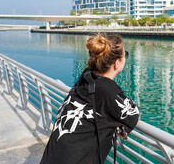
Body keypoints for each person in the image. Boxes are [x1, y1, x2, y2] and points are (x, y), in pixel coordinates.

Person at [40, 33, 140, 164]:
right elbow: (132, 113)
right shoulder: (106, 88)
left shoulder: (86, 76)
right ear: (116, 63)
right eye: (125, 54)